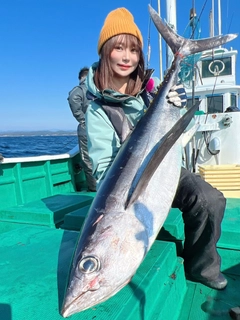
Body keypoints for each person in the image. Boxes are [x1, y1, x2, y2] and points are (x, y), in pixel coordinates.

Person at [85, 7, 227, 290]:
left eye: (134, 50)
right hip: (127, 185)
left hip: (164, 169)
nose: (127, 57)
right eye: (118, 48)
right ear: (105, 52)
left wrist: (176, 108)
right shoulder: (98, 108)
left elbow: (182, 133)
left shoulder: (151, 92)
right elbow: (103, 170)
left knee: (210, 200)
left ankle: (202, 267)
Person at [68, 67, 96, 192]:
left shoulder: (80, 89)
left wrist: (82, 119)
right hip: (103, 127)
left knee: (87, 159)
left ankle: (94, 187)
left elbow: (73, 98)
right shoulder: (99, 89)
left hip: (87, 128)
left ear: (81, 78)